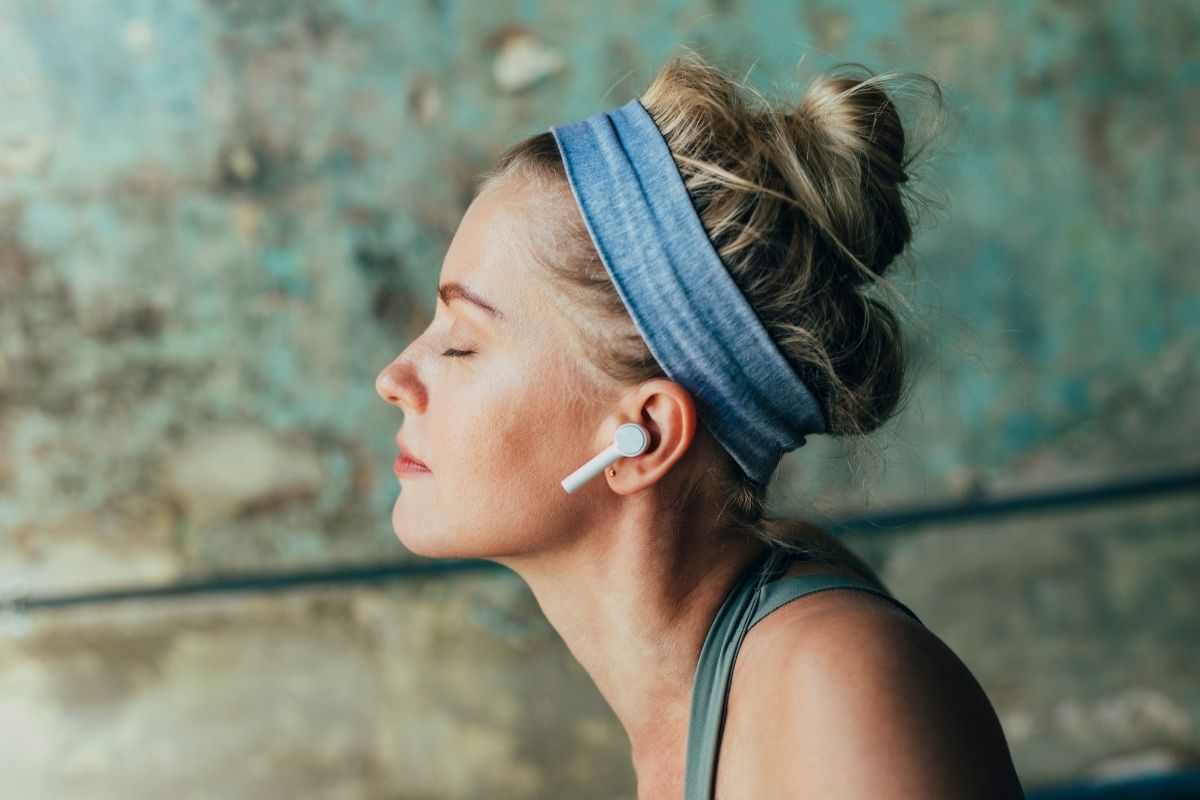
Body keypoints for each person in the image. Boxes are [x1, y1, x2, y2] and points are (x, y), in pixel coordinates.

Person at [375, 45, 1026, 799]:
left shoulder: (836, 683)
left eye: (460, 342)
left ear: (642, 434)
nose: (392, 378)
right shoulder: (707, 690)